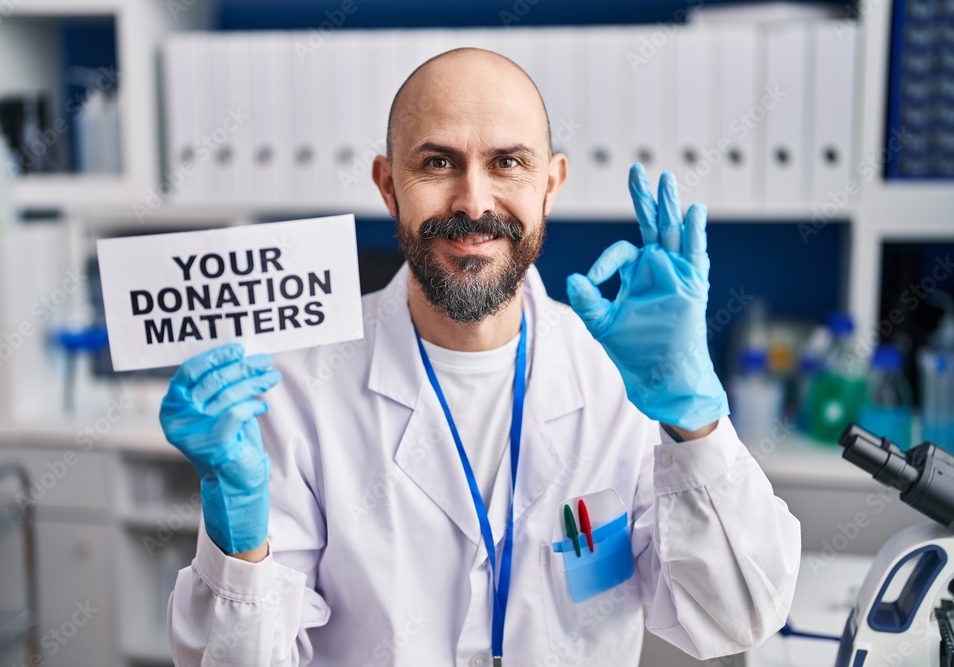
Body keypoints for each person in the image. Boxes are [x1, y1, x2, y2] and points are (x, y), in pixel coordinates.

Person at [163, 48, 800, 666]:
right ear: (389, 186)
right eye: (438, 163)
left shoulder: (622, 377)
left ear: (549, 186)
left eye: (507, 163)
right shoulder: (297, 384)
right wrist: (239, 548)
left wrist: (696, 420)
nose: (473, 201)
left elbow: (733, 617)